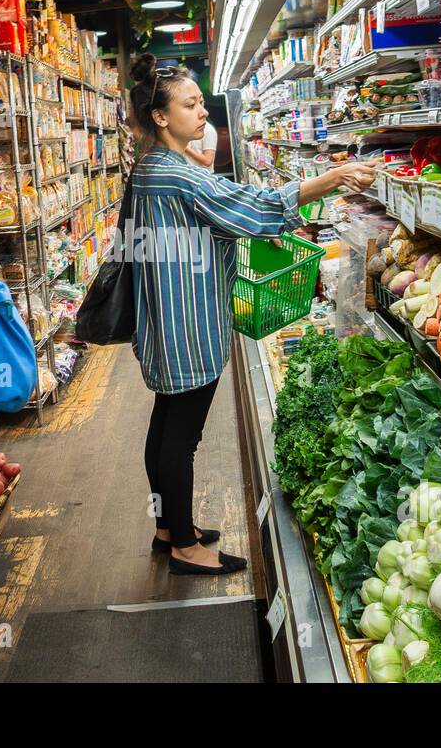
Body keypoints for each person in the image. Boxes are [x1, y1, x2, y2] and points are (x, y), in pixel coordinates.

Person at [126, 54, 376, 575]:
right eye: (190, 105)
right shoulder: (179, 176)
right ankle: (185, 550)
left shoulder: (152, 167)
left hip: (165, 316)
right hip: (188, 322)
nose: (202, 113)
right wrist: (330, 178)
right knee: (182, 436)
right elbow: (258, 209)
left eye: (201, 102)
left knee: (165, 421)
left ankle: (170, 526)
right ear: (160, 117)